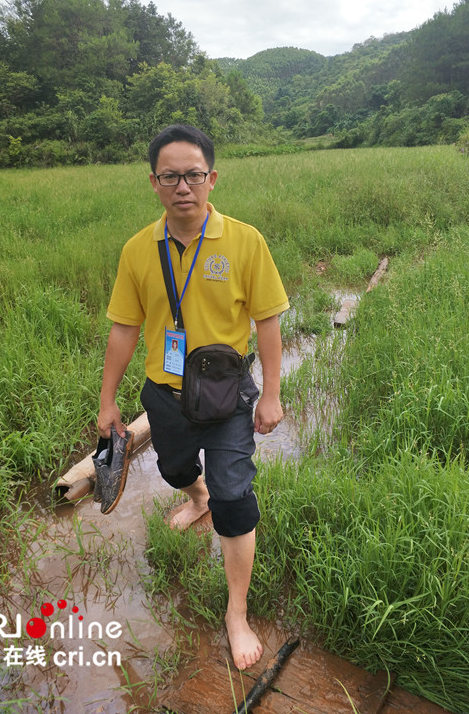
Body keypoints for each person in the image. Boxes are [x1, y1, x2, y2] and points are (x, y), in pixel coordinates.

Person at [97, 124, 289, 670]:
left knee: (234, 496)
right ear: (154, 182)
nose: (183, 186)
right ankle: (195, 496)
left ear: (212, 178)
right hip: (165, 394)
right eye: (171, 176)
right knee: (176, 468)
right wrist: (108, 402)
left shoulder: (245, 241)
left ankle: (236, 611)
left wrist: (270, 394)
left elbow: (268, 320)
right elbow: (123, 330)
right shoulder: (138, 250)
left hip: (228, 393)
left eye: (194, 175)